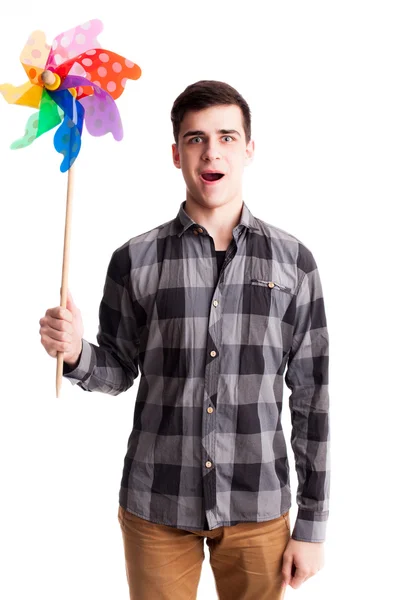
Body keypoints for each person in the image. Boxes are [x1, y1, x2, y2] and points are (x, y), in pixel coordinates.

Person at [39, 80, 330, 600]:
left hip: (257, 506)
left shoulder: (294, 263)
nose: (211, 151)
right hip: (157, 505)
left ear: (249, 149)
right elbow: (120, 369)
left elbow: (313, 399)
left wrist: (312, 525)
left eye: (226, 137)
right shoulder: (135, 260)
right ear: (176, 154)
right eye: (195, 139)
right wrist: (79, 352)